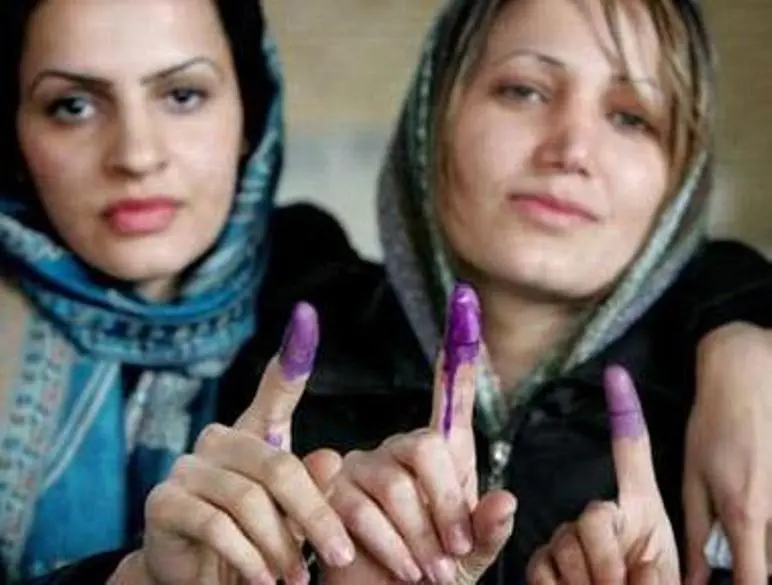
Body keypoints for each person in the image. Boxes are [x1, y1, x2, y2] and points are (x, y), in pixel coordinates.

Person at [8, 0, 772, 584]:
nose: (571, 149)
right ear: (431, 116)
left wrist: (745, 330)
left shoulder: (733, 423)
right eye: (523, 90)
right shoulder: (287, 331)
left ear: (682, 177)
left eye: (631, 116)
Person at [0, 0, 286, 580]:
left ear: (249, 115)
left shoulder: (364, 328)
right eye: (72, 106)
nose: (135, 156)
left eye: (182, 96)